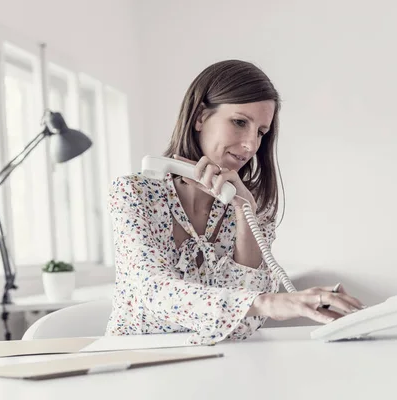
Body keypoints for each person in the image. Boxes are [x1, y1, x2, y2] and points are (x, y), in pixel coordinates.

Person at [105, 60, 364, 345]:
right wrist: (267, 302)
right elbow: (153, 292)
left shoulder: (252, 207)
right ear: (200, 117)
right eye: (240, 122)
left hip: (221, 362)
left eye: (261, 132)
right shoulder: (134, 193)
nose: (251, 145)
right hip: (136, 362)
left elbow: (244, 326)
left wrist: (244, 213)